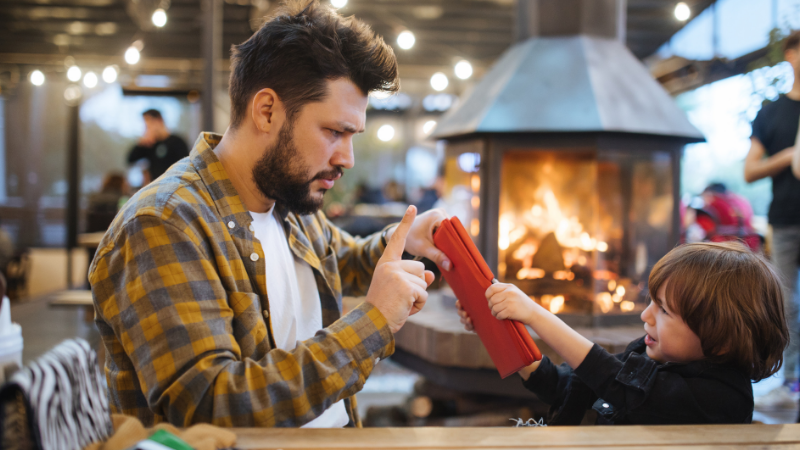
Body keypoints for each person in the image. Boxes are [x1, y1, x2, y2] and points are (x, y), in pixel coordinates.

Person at [89, 0, 451, 428]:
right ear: (266, 111)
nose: (348, 158)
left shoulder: (289, 199)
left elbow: (345, 259)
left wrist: (407, 243)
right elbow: (211, 405)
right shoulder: (164, 224)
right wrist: (371, 324)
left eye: (353, 135)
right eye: (335, 132)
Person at [457, 242, 788, 424]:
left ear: (723, 339)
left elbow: (614, 381)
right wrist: (498, 329)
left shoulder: (722, 398)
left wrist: (535, 314)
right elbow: (569, 386)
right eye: (651, 303)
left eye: (664, 311)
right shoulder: (646, 354)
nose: (645, 316)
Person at [744, 30, 800, 408]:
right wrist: (790, 155)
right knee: (787, 304)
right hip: (786, 219)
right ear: (791, 55)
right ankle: (792, 384)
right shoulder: (771, 111)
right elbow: (749, 170)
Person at [127, 109, 189, 184]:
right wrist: (141, 144)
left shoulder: (177, 141)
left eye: (150, 123)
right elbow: (130, 159)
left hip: (175, 186)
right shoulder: (150, 145)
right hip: (156, 189)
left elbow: (186, 166)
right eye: (146, 126)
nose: (148, 128)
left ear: (160, 120)